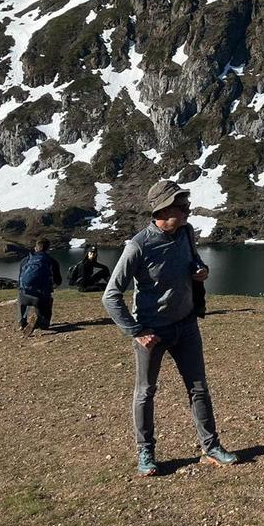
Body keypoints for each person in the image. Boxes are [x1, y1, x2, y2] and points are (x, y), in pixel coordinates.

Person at [102, 180, 237, 476]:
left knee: (198, 388)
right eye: (182, 205)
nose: (188, 209)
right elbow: (110, 296)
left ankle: (211, 447)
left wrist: (200, 271)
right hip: (152, 332)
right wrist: (136, 331)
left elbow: (193, 262)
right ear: (163, 208)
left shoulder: (186, 233)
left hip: (186, 325)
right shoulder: (138, 246)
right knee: (146, 392)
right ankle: (145, 454)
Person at [18, 238, 62, 335]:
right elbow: (58, 281)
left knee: (21, 292)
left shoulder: (25, 260)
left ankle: (22, 321)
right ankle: (43, 322)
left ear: (35, 248)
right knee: (48, 298)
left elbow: (20, 280)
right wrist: (51, 286)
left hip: (24, 298)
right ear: (48, 249)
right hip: (40, 299)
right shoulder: (52, 261)